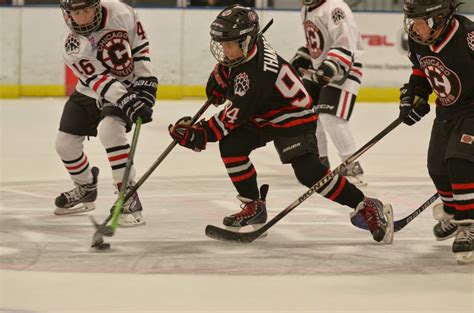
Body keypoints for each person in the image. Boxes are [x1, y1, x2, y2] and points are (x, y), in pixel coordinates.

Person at [168, 5, 394, 243]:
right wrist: (220, 78)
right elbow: (231, 69)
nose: (224, 50)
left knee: (309, 174)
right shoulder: (247, 51)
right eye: (223, 44)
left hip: (294, 116)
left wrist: (198, 134)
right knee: (232, 146)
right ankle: (253, 206)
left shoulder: (256, 75)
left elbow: (228, 120)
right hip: (264, 112)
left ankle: (366, 205)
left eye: (229, 44)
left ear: (246, 41)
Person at [55, 0, 158, 227]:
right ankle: (86, 187)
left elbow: (140, 47)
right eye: (76, 12)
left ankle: (128, 195)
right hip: (90, 89)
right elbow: (99, 80)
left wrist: (145, 82)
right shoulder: (72, 45)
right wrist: (127, 100)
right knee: (65, 144)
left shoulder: (120, 12)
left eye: (86, 10)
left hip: (127, 84)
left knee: (110, 131)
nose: (82, 17)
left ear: (97, 5)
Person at [400, 0, 474, 263]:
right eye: (412, 21)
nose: (414, 28)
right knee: (437, 166)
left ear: (439, 17)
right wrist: (414, 96)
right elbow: (421, 73)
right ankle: (455, 213)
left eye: (420, 21)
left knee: (459, 160)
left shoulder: (468, 36)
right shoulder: (419, 40)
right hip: (447, 112)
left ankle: (469, 224)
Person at [289, 0, 367, 187]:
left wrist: (331, 66)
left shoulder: (335, 8)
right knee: (307, 112)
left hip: (345, 69)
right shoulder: (306, 10)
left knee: (330, 118)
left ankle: (351, 164)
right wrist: (304, 57)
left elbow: (345, 42)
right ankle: (320, 162)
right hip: (322, 69)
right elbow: (317, 43)